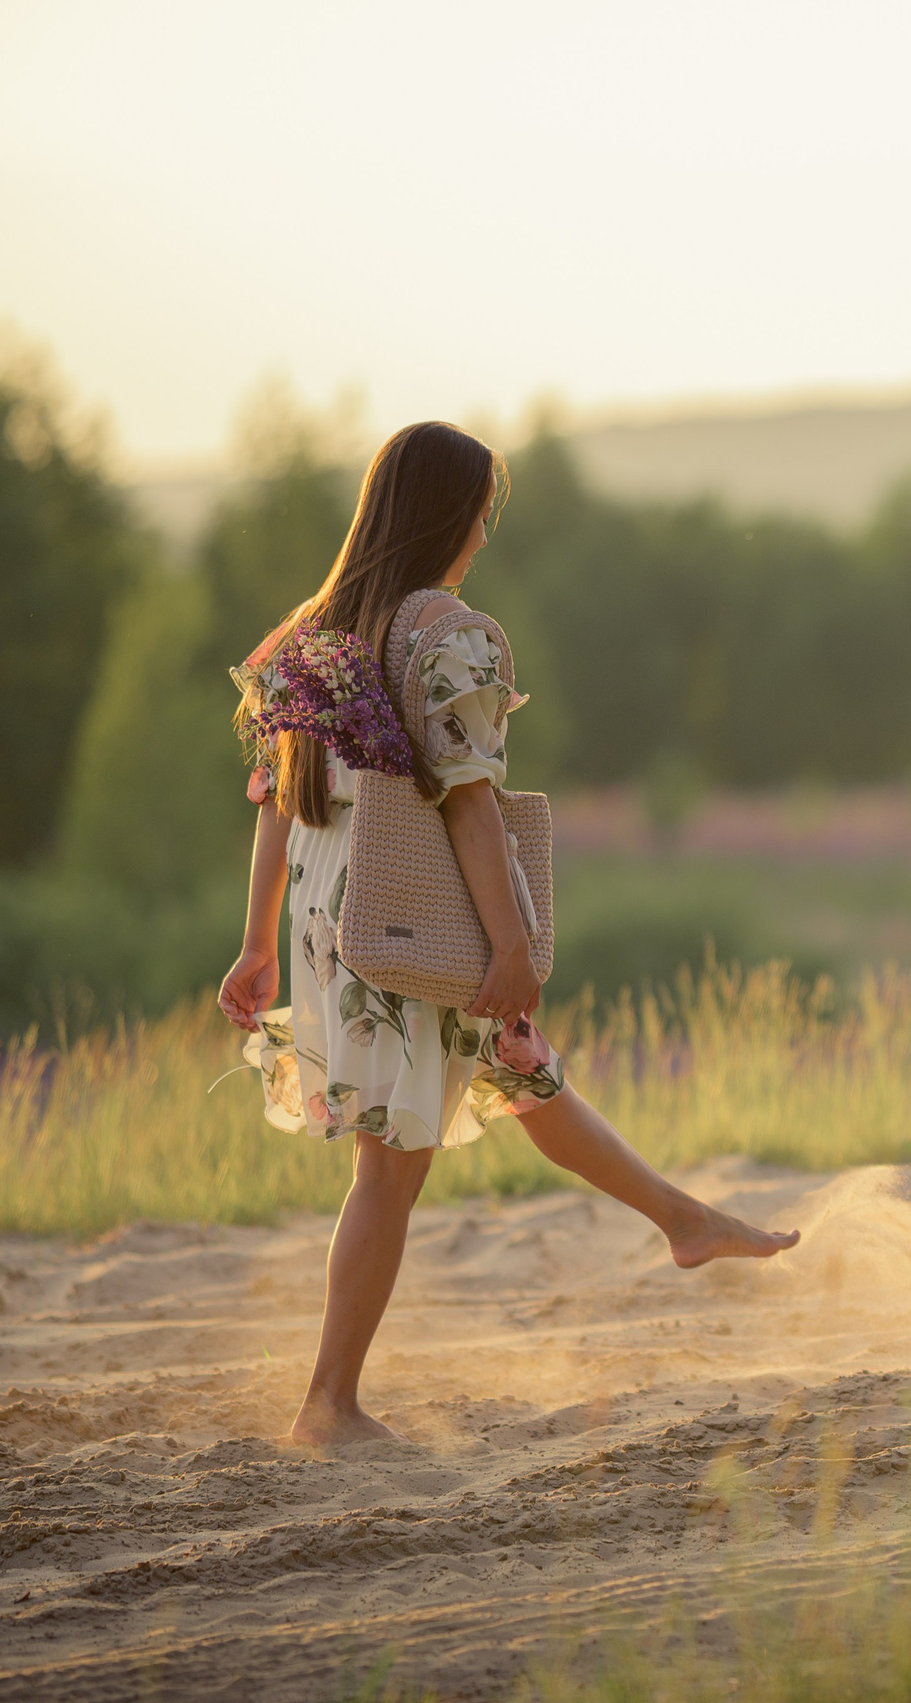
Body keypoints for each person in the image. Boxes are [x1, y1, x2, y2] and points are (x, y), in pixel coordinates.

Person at [217, 421, 797, 1447]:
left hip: (331, 904)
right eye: (483, 508)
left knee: (522, 1074)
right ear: (452, 512)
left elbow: (275, 798)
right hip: (406, 906)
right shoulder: (452, 635)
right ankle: (328, 1402)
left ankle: (684, 1222)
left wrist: (257, 940)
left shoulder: (309, 635)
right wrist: (514, 940)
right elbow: (471, 806)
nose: (485, 531)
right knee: (389, 1165)